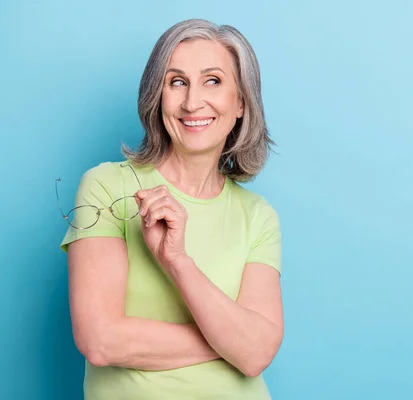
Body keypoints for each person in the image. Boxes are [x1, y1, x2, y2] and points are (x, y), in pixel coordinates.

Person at [58, 18, 283, 400]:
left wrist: (178, 260)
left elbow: (258, 353)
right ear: (157, 96)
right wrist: (231, 342)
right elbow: (100, 340)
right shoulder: (109, 186)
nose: (193, 102)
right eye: (177, 82)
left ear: (241, 102)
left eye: (213, 80)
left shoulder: (258, 216)